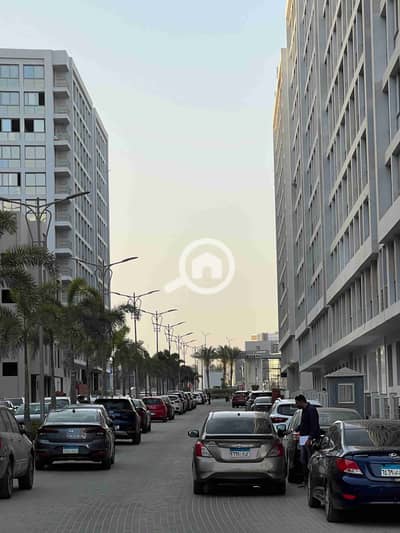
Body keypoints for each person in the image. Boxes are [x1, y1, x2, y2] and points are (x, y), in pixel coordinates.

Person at [295, 394, 320, 488]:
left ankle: (311, 481)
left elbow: (314, 425)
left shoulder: (311, 410)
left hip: (308, 438)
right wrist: (295, 429)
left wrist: (310, 438)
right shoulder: (304, 410)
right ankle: (305, 480)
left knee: (309, 460)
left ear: (301, 401)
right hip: (303, 437)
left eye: (297, 403)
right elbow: (303, 424)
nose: (296, 405)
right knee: (303, 460)